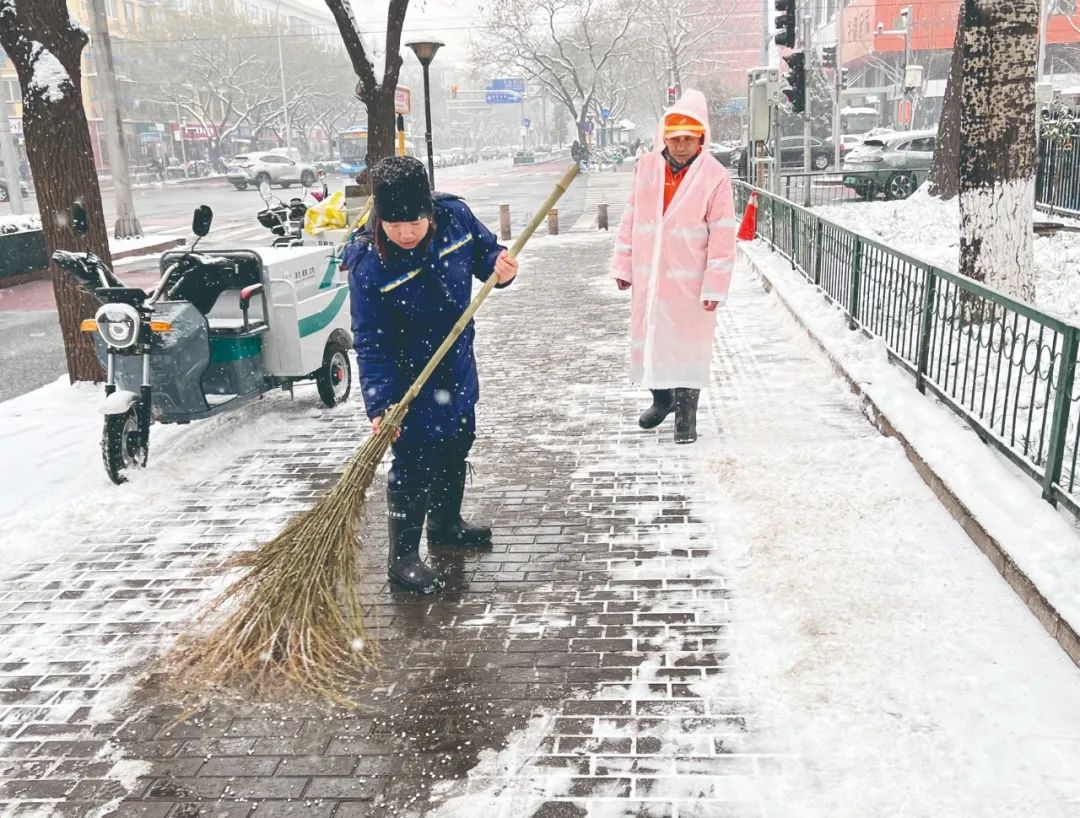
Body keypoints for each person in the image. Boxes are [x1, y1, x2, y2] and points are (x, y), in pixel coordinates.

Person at [342, 156, 519, 595]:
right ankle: (402, 558)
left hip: (456, 365)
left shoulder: (455, 218)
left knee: (457, 442)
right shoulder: (369, 264)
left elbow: (485, 255)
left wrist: (501, 267)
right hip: (408, 381)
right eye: (394, 224)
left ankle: (446, 526)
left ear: (429, 210)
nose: (405, 233)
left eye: (414, 222)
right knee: (415, 463)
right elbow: (370, 341)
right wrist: (382, 404)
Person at [610, 89, 736, 444]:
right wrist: (624, 265)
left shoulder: (714, 176)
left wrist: (715, 285)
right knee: (652, 340)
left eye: (688, 139)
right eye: (675, 138)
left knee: (688, 347)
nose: (681, 146)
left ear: (701, 139)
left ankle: (686, 415)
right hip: (650, 275)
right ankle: (661, 400)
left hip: (691, 279)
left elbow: (723, 235)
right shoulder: (647, 167)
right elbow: (631, 217)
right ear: (664, 138)